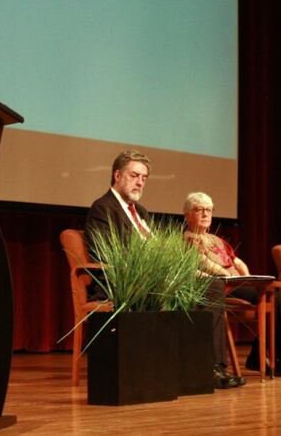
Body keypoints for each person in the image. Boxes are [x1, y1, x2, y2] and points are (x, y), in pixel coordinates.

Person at [84, 151, 245, 389]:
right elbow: (105, 253)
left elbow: (159, 249)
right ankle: (208, 367)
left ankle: (200, 367)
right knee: (212, 287)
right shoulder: (102, 209)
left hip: (159, 279)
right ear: (117, 175)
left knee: (210, 282)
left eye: (144, 177)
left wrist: (184, 270)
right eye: (134, 175)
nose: (140, 182)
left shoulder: (142, 212)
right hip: (127, 283)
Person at [183, 192, 281, 377]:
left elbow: (238, 262)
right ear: (187, 215)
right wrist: (227, 274)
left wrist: (249, 277)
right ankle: (259, 360)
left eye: (208, 210)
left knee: (278, 299)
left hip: (236, 283)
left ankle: (272, 357)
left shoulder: (217, 239)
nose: (205, 214)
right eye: (199, 209)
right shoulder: (188, 238)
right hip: (218, 287)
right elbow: (202, 262)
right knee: (271, 298)